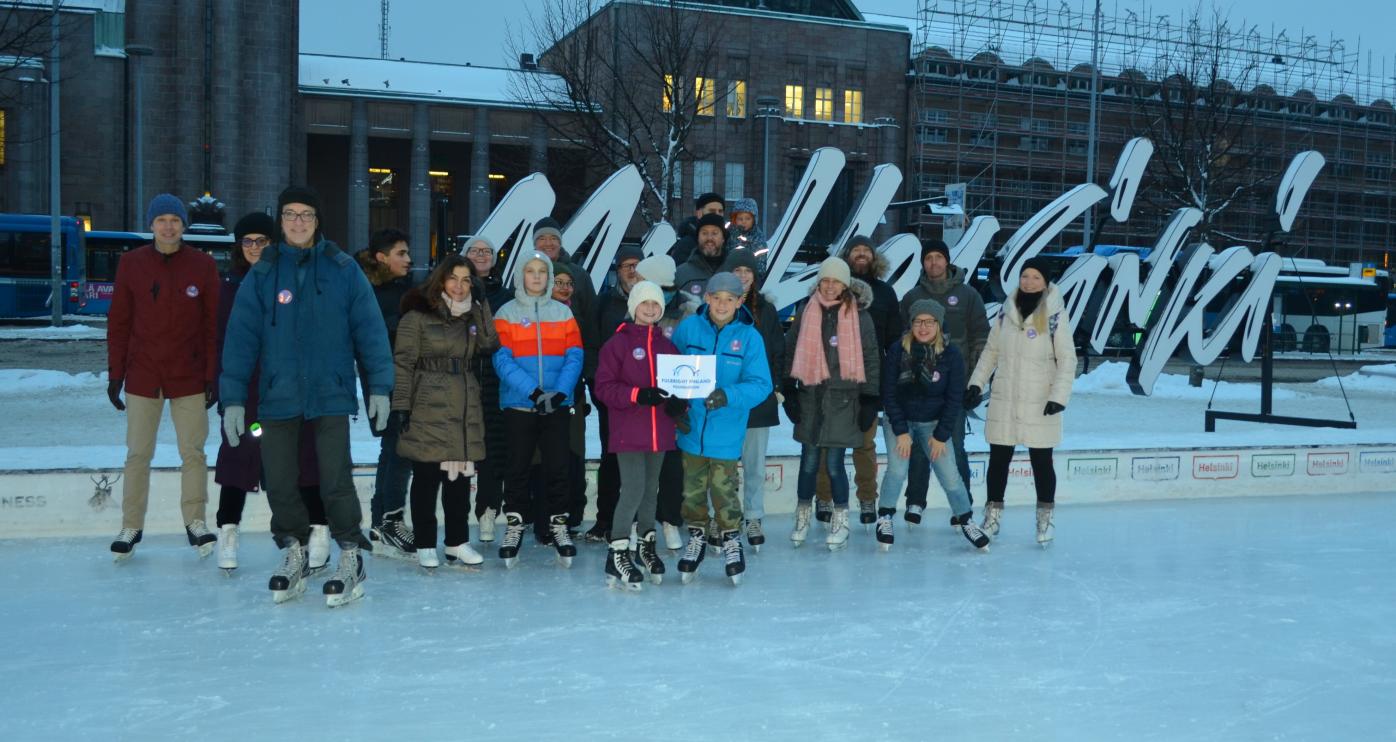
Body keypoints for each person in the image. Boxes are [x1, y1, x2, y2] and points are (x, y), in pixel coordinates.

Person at [220, 185, 394, 606]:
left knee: (335, 479)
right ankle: (293, 551)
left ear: (318, 222)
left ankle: (351, 554)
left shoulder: (342, 268)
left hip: (330, 393)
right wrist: (234, 398)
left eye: (307, 215)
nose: (298, 222)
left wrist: (380, 386)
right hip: (278, 394)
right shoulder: (263, 272)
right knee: (279, 479)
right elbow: (241, 339)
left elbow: (369, 331)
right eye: (291, 214)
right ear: (280, 222)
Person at [106, 193, 220, 561]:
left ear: (184, 225)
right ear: (151, 225)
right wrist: (115, 374)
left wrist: (211, 375)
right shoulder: (132, 264)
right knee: (138, 452)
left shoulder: (202, 265)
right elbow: (119, 322)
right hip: (143, 374)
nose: (168, 226)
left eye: (174, 219)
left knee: (193, 452)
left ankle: (196, 521)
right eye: (161, 220)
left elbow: (211, 325)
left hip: (187, 375)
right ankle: (131, 525)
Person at [213, 212, 329, 573]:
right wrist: (224, 389)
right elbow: (221, 341)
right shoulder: (229, 285)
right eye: (247, 242)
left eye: (261, 241)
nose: (254, 248)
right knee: (239, 454)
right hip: (247, 390)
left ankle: (314, 531)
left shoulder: (290, 278)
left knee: (302, 459)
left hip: (289, 387)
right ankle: (227, 530)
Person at [392, 254, 498, 570]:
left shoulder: (471, 319)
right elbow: (403, 363)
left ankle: (456, 542)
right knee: (426, 479)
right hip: (427, 401)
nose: (460, 286)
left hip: (464, 402)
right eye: (454, 278)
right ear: (441, 280)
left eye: (467, 280)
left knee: (459, 481)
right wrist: (401, 405)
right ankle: (425, 543)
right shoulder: (417, 316)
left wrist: (481, 307)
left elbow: (490, 343)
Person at [966, 257, 1076, 546]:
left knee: (1042, 462)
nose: (1028, 282)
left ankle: (1045, 517)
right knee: (998, 461)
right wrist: (976, 384)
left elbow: (1067, 360)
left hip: (1040, 399)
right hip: (1006, 398)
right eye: (1025, 276)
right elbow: (991, 352)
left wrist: (1058, 397)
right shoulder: (1005, 314)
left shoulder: (1055, 316)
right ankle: (992, 517)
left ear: (1046, 282)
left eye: (1035, 277)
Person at [670, 272, 772, 585]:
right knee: (691, 492)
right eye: (717, 298)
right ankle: (697, 536)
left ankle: (730, 539)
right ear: (707, 298)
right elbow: (670, 368)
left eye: (730, 299)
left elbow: (760, 384)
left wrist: (729, 395)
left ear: (740, 301)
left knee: (725, 491)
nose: (723, 304)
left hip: (726, 432)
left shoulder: (749, 337)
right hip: (691, 429)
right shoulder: (688, 328)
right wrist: (674, 405)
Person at [492, 251, 585, 568]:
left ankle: (559, 525)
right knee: (517, 466)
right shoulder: (506, 313)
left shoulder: (563, 314)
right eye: (530, 271)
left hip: (557, 405)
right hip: (520, 405)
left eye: (541, 272)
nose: (536, 277)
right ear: (521, 275)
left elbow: (575, 356)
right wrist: (532, 392)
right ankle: (515, 525)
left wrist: (559, 392)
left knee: (557, 466)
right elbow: (501, 360)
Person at [876, 299, 989, 552]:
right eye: (918, 321)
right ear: (911, 324)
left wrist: (940, 435)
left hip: (934, 423)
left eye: (929, 322)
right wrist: (901, 431)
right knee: (897, 469)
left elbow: (953, 400)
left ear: (938, 325)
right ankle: (884, 516)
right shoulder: (897, 350)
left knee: (949, 474)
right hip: (900, 421)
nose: (923, 327)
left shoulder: (951, 355)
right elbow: (889, 394)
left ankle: (966, 519)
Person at [782, 258, 880, 551]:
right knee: (809, 462)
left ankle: (841, 519)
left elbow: (872, 357)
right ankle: (801, 516)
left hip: (843, 400)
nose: (829, 286)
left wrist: (869, 399)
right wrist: (788, 388)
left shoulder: (860, 316)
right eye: (825, 280)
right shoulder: (806, 311)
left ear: (845, 284)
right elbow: (791, 348)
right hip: (811, 397)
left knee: (836, 465)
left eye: (835, 281)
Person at [592, 281, 683, 590]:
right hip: (629, 431)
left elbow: (677, 384)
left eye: (655, 304)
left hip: (660, 433)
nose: (650, 308)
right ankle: (617, 552)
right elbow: (603, 387)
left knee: (650, 491)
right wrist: (637, 395)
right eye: (644, 303)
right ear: (633, 307)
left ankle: (646, 545)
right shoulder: (617, 344)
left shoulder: (668, 346)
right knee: (632, 490)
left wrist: (679, 400)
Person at [898, 239, 989, 527]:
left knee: (955, 445)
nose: (933, 262)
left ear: (947, 261)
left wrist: (974, 382)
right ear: (923, 263)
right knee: (919, 448)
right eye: (929, 258)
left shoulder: (968, 295)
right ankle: (915, 501)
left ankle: (963, 506)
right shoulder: (912, 296)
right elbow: (902, 340)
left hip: (954, 387)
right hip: (919, 387)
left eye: (939, 257)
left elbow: (981, 339)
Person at [814, 236, 903, 528]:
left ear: (873, 257)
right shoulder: (831, 289)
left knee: (864, 445)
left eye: (866, 251)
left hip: (867, 382)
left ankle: (867, 498)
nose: (861, 255)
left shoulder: (886, 293)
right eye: (856, 251)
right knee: (827, 443)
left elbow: (893, 342)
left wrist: (881, 386)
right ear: (847, 256)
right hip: (831, 380)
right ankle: (824, 497)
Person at [355, 228, 417, 560]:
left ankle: (382, 521)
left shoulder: (403, 288)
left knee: (393, 448)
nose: (408, 260)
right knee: (398, 447)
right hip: (384, 382)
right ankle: (390, 519)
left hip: (403, 379)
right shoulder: (366, 291)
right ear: (382, 257)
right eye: (401, 253)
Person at [719, 249, 783, 552]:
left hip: (758, 399)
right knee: (723, 466)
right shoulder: (717, 308)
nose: (743, 276)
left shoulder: (766, 310)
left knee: (755, 466)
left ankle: (754, 517)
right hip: (724, 402)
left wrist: (778, 388)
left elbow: (777, 352)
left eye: (749, 271)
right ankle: (723, 518)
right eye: (738, 270)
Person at [588, 244, 646, 543]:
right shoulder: (605, 303)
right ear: (618, 270)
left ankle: (639, 519)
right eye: (627, 265)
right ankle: (605, 520)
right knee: (611, 459)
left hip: (646, 401)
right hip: (614, 400)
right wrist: (600, 392)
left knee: (642, 461)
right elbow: (594, 349)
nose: (632, 270)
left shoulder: (652, 303)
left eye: (637, 264)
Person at [635, 253, 694, 550]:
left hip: (673, 407)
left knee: (671, 469)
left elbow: (694, 362)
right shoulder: (635, 312)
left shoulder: (690, 313)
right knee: (640, 471)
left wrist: (680, 400)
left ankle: (670, 520)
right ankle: (640, 523)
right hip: (642, 405)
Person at [463, 235, 508, 542]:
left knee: (493, 448)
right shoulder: (452, 292)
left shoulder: (504, 296)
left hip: (495, 380)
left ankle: (488, 509)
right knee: (460, 449)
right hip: (460, 380)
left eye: (486, 251)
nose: (481, 255)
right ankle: (457, 516)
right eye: (474, 250)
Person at [549, 260, 597, 538]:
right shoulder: (539, 314)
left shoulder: (576, 316)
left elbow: (586, 349)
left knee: (574, 451)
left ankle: (573, 513)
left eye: (569, 284)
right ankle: (549, 515)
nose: (564, 288)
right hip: (543, 393)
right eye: (559, 282)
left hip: (573, 393)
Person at [674, 213, 730, 303]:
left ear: (723, 238)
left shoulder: (734, 272)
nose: (709, 238)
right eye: (704, 233)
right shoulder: (680, 274)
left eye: (715, 233)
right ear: (698, 238)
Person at [668, 192, 724, 265]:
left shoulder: (727, 241)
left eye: (720, 211)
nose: (717, 215)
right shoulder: (686, 245)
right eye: (712, 211)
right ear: (699, 213)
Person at [726, 198, 768, 269]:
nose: (744, 222)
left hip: (749, 276)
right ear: (734, 219)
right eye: (740, 219)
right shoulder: (729, 232)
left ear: (754, 219)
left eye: (748, 218)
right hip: (729, 274)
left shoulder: (758, 238)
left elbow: (761, 264)